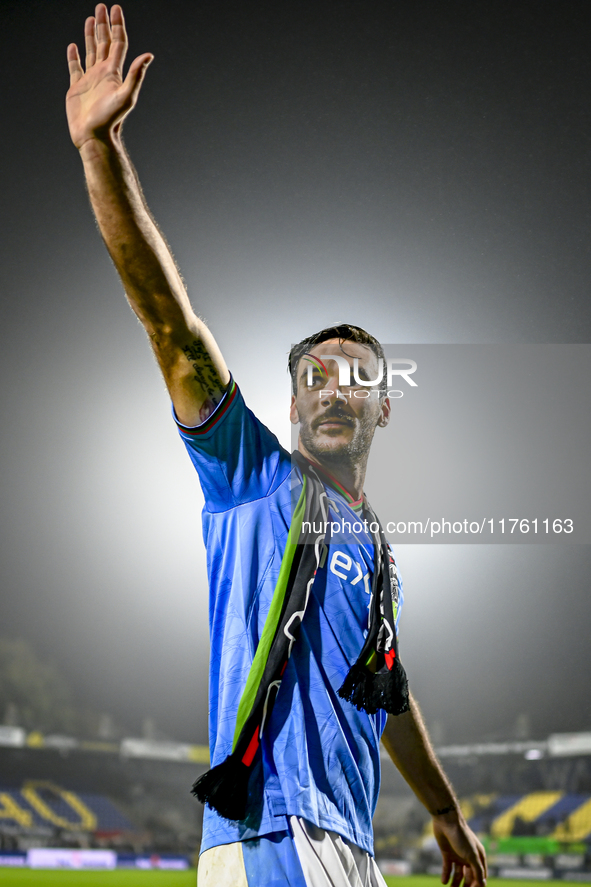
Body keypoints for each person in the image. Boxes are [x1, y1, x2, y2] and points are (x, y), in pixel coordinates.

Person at [66, 6, 488, 887]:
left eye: (354, 377)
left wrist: (444, 810)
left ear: (385, 409)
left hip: (349, 843)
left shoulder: (376, 553)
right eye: (313, 375)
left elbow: (388, 693)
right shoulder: (255, 479)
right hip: (272, 835)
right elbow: (173, 331)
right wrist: (99, 150)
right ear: (291, 405)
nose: (333, 387)